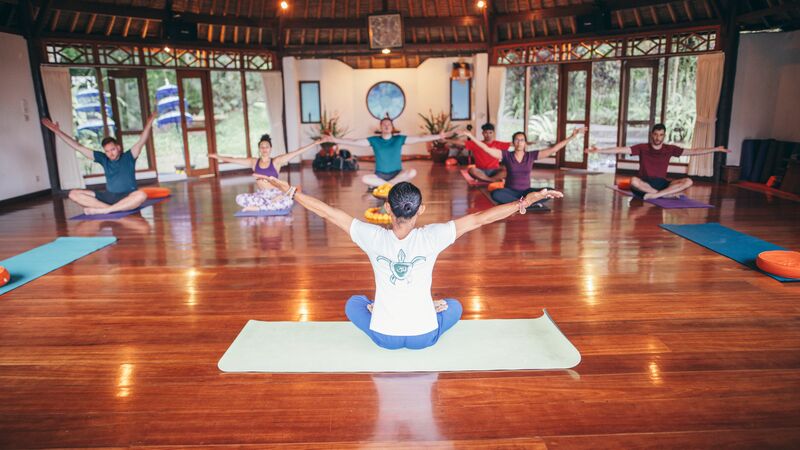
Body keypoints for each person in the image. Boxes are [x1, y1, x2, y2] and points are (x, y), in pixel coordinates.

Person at [259, 176, 563, 350]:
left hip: (383, 338)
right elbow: (483, 218)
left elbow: (327, 212)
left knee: (354, 303)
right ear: (422, 210)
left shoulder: (370, 235)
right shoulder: (434, 236)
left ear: (386, 208)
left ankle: (382, 307)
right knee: (455, 306)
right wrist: (527, 201)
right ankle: (429, 307)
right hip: (424, 337)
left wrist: (291, 191)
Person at [41, 114, 156, 216]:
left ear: (118, 148)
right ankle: (110, 209)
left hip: (128, 196)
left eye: (113, 149)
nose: (110, 153)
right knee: (73, 194)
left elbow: (142, 141)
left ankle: (104, 210)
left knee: (141, 195)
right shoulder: (103, 158)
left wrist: (149, 123)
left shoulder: (129, 156)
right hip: (108, 197)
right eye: (107, 151)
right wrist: (57, 132)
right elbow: (78, 147)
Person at [586, 123, 729, 199]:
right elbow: (620, 149)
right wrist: (599, 150)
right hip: (644, 183)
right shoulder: (642, 147)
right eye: (655, 134)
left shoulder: (669, 149)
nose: (658, 137)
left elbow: (694, 151)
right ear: (651, 135)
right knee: (633, 181)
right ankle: (666, 195)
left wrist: (716, 149)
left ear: (664, 136)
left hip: (662, 183)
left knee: (689, 181)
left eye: (661, 135)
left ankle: (657, 195)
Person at [464, 127, 586, 206]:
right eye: (516, 140)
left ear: (525, 143)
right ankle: (527, 202)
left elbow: (553, 149)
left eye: (522, 140)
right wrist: (472, 137)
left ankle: (522, 202)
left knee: (548, 190)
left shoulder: (531, 156)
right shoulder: (506, 155)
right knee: (496, 194)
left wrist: (572, 136)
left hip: (527, 191)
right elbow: (486, 148)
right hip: (510, 191)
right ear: (513, 142)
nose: (519, 142)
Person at [210, 134, 329, 212]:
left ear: (270, 148)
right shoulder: (253, 162)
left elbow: (296, 152)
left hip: (276, 193)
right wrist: (218, 157)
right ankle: (264, 206)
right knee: (239, 198)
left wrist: (314, 144)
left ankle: (259, 207)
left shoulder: (276, 161)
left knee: (286, 202)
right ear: (259, 149)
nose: (264, 149)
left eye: (266, 147)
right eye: (262, 147)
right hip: (262, 194)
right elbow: (233, 159)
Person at [326, 117, 450, 188]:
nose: (386, 126)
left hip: (397, 174)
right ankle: (390, 185)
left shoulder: (399, 139)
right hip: (379, 175)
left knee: (412, 172)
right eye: (384, 124)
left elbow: (419, 138)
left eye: (388, 124)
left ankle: (386, 186)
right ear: (380, 128)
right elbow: (355, 141)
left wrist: (438, 136)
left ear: (392, 127)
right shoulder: (374, 140)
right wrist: (334, 139)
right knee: (365, 179)